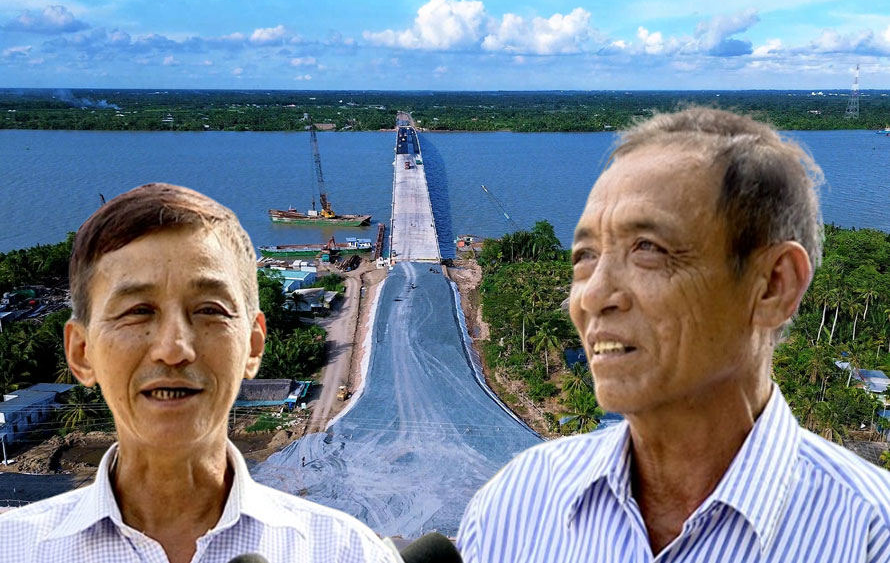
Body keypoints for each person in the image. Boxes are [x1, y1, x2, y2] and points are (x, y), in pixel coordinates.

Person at [457, 108, 890, 562]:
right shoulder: (513, 509)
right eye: (585, 255)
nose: (592, 296)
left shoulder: (868, 536)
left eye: (647, 248)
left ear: (773, 285)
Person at [0, 184, 399, 563]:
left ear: (253, 345)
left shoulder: (343, 552)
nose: (174, 349)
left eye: (209, 310)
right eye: (138, 311)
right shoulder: (15, 549)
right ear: (82, 352)